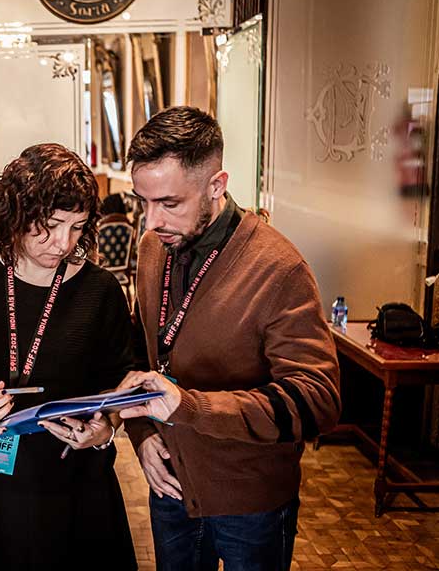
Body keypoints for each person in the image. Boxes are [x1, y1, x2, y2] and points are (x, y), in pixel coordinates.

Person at [117, 106, 341, 570]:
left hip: (251, 505)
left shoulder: (279, 268)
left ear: (216, 185)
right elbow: (140, 356)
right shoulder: (153, 248)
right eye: (144, 201)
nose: (151, 221)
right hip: (170, 487)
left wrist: (190, 407)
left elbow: (317, 401)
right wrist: (142, 436)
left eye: (169, 203)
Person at [0, 143, 138, 571]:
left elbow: (122, 383)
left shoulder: (100, 291)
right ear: (16, 212)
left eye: (77, 227)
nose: (63, 243)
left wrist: (106, 428)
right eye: (51, 225)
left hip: (75, 485)